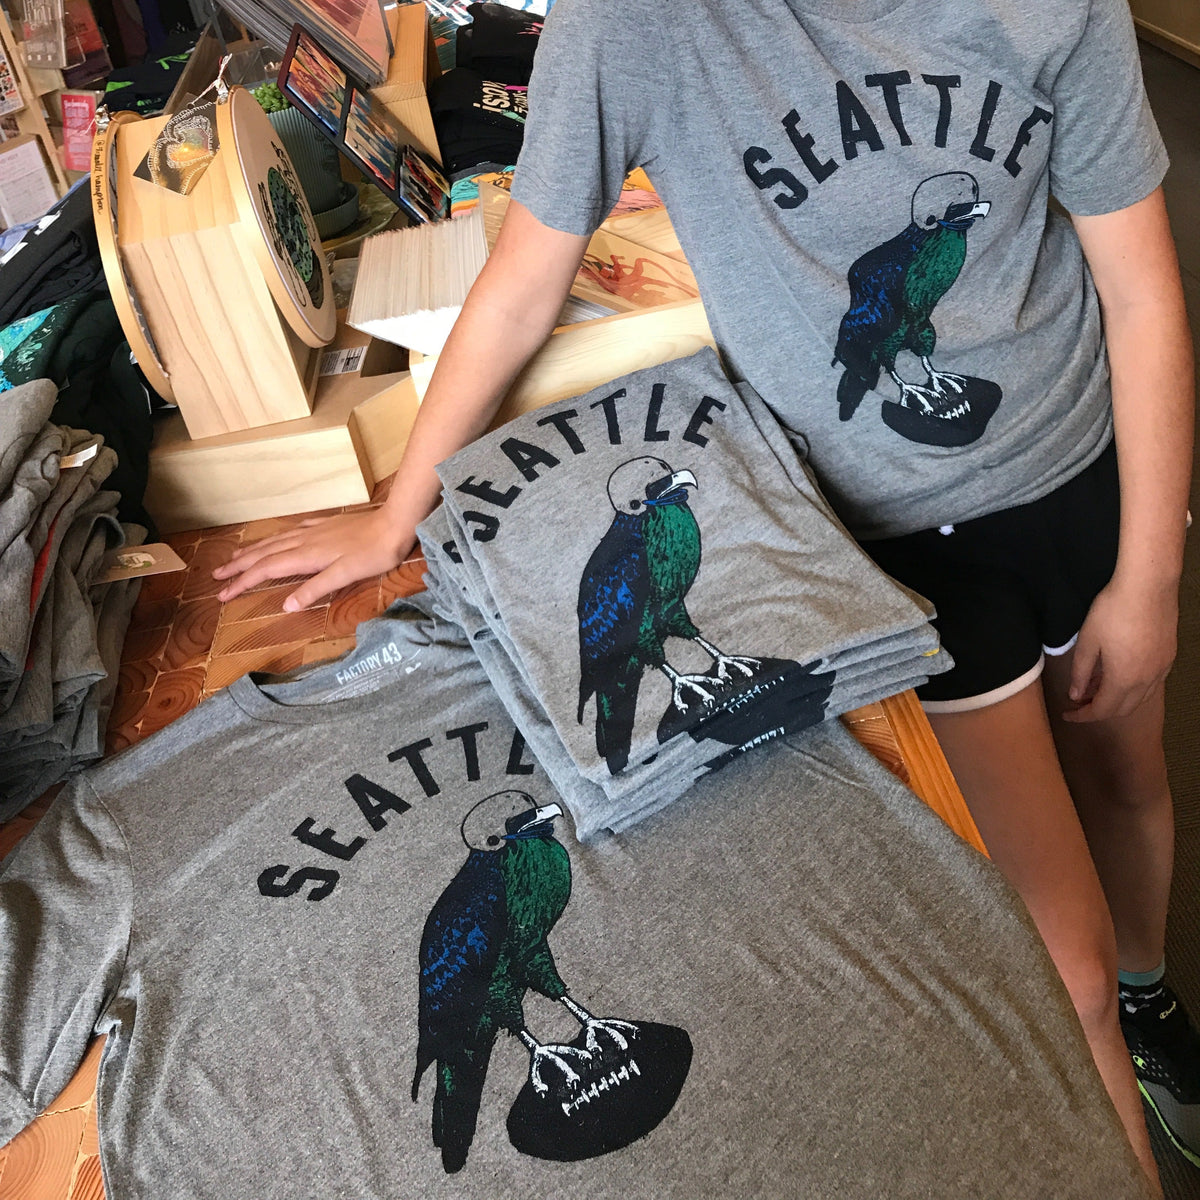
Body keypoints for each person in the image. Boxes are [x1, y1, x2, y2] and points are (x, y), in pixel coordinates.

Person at [214, 0, 1196, 1188]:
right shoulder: (631, 26)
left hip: (1084, 472)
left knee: (1129, 780)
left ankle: (1151, 994)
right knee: (1064, 970)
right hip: (892, 547)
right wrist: (396, 513)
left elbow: (1139, 287)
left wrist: (1152, 575)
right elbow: (524, 278)